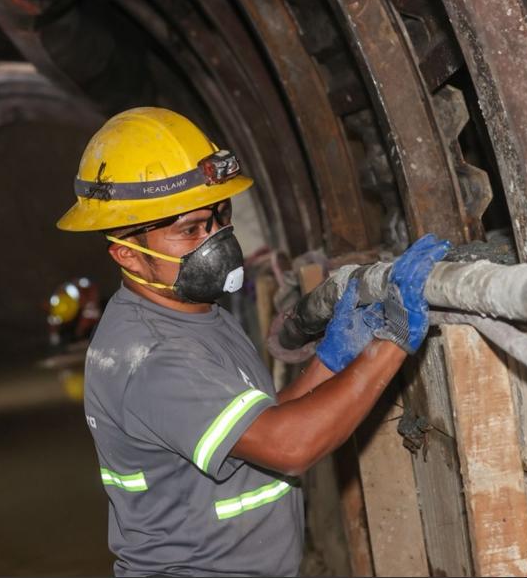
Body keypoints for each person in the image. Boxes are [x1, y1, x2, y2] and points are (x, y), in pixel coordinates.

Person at [57, 107, 449, 577]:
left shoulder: (197, 315)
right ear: (128, 255)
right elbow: (289, 446)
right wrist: (391, 342)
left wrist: (332, 360)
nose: (216, 239)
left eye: (219, 217)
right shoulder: (151, 357)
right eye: (190, 230)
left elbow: (260, 427)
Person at [46, 276, 102, 348]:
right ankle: (56, 342)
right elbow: (53, 314)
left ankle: (83, 337)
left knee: (90, 314)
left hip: (81, 312)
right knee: (53, 320)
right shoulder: (56, 301)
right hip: (65, 313)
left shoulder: (80, 291)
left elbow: (89, 289)